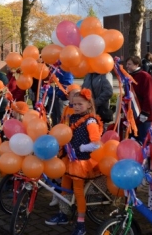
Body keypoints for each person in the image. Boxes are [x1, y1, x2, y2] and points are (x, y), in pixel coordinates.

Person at [45, 89, 102, 235]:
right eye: (74, 104)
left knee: (78, 191)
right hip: (69, 158)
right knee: (64, 187)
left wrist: (82, 147)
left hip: (81, 162)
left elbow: (96, 143)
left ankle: (81, 223)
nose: (76, 107)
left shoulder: (90, 121)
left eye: (80, 104)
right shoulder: (73, 117)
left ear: (89, 104)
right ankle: (64, 213)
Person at [125, 56, 152, 144]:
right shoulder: (129, 77)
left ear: (137, 64)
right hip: (132, 115)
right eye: (127, 64)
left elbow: (149, 95)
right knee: (132, 141)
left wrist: (145, 112)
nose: (127, 66)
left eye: (129, 64)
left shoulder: (145, 76)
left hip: (143, 115)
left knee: (143, 141)